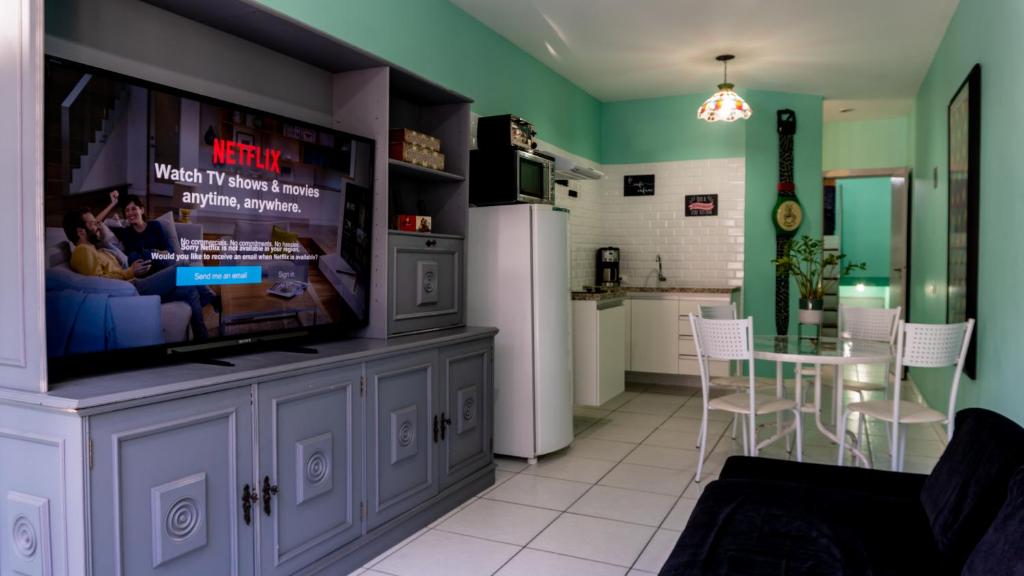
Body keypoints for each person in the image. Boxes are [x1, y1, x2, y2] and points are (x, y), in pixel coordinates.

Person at [62, 207, 210, 340]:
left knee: (189, 289)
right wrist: (130, 272)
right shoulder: (82, 251)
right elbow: (99, 282)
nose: (97, 226)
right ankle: (210, 297)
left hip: (133, 284)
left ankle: (202, 339)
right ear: (81, 231)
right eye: (93, 223)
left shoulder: (95, 249)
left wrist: (131, 270)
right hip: (130, 290)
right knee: (182, 267)